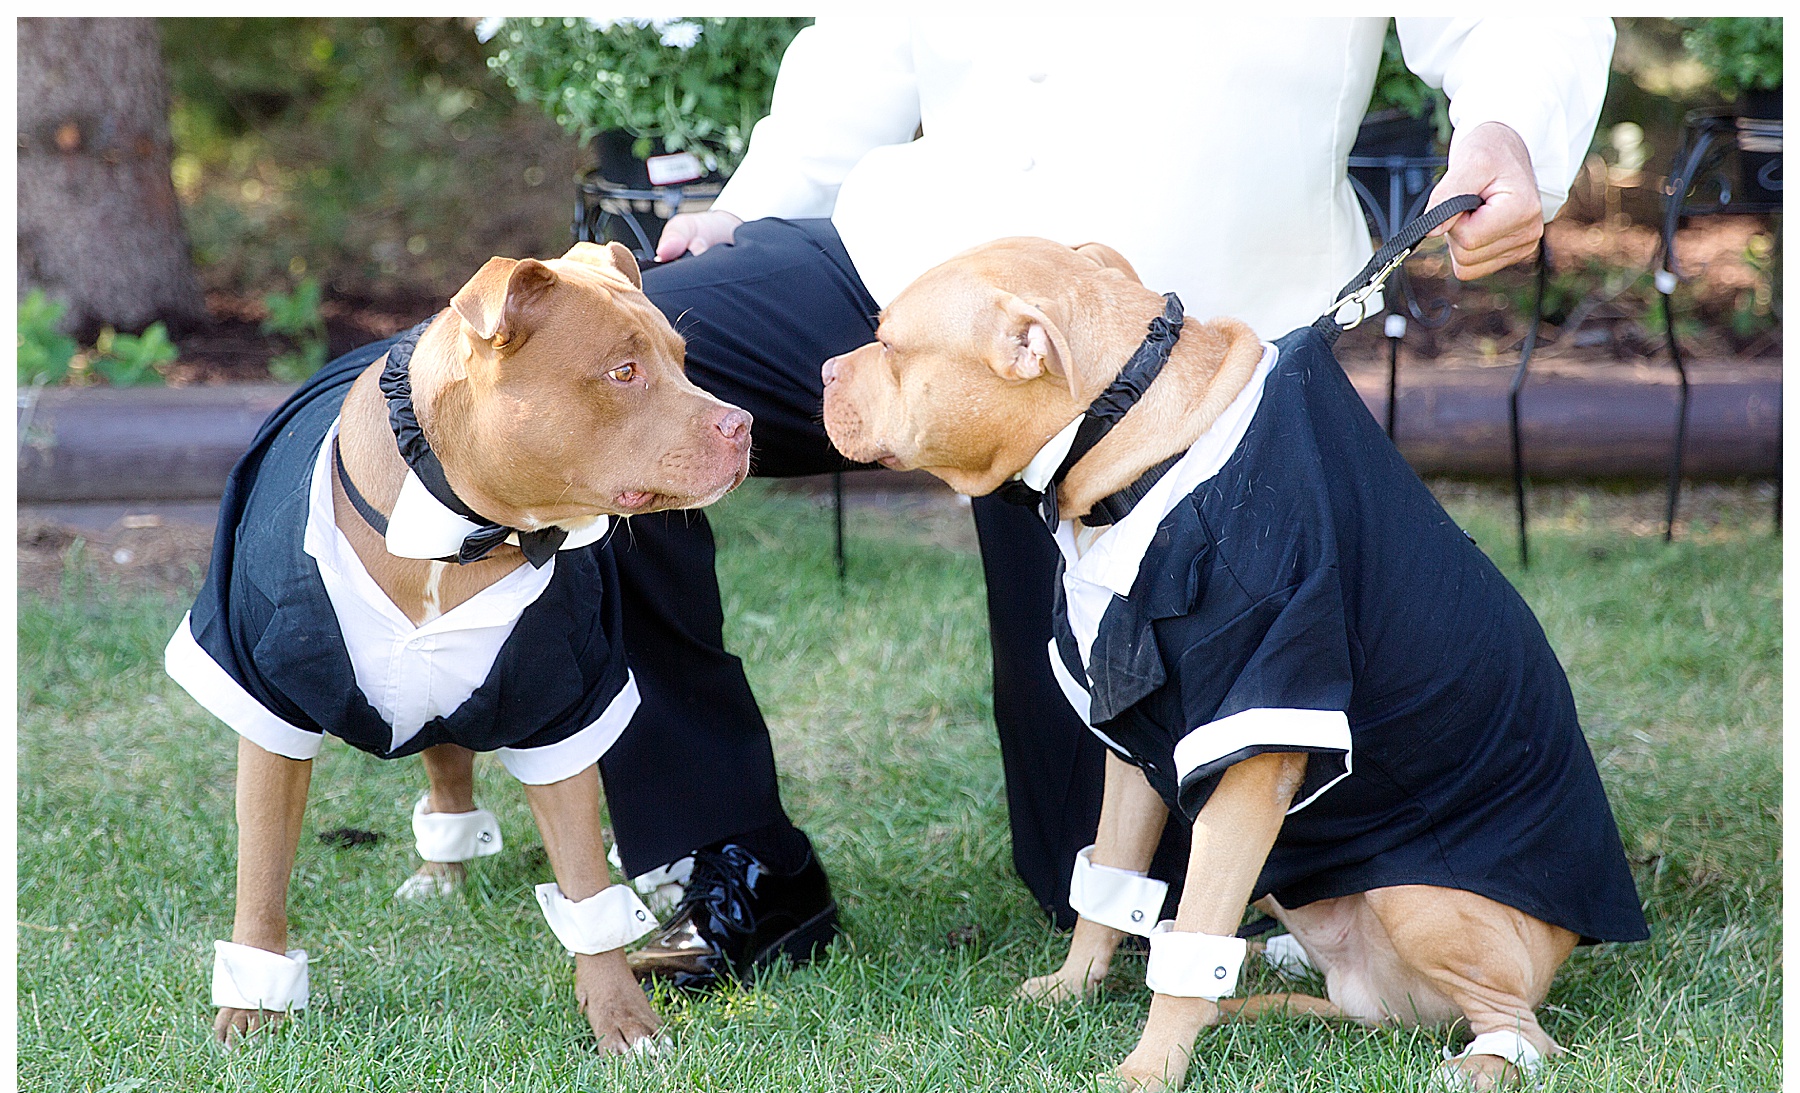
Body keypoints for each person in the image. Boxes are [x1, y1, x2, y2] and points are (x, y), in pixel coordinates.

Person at [603, 16, 1616, 967]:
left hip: (1170, 359)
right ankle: (729, 858)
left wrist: (1509, 132)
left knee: (1105, 884)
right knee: (602, 390)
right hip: (912, 272)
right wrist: (756, 196)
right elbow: (872, 27)